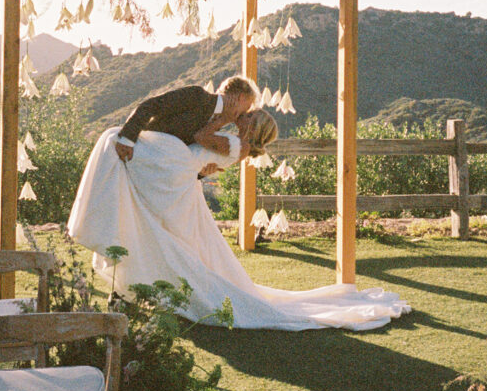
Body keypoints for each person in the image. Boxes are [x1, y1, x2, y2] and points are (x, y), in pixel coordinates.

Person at [68, 106, 411, 332]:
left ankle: (164, 290)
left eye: (248, 115)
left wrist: (220, 114)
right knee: (178, 248)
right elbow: (198, 161)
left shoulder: (234, 144)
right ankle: (157, 289)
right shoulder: (233, 146)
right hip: (182, 189)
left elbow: (201, 141)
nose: (243, 114)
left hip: (181, 192)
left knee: (178, 250)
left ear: (252, 126)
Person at [114, 75, 258, 162]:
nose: (241, 115)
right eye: (247, 107)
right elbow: (151, 106)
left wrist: (202, 172)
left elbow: (188, 157)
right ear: (241, 98)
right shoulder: (198, 96)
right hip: (132, 152)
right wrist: (127, 140)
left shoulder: (216, 125)